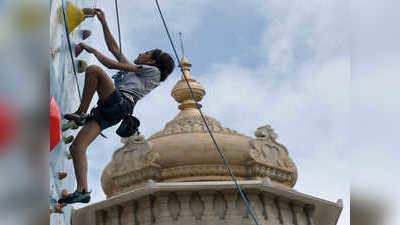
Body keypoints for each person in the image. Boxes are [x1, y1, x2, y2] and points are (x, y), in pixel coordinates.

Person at [58, 8, 175, 204]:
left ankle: (80, 113)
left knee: (94, 70)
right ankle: (83, 190)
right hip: (112, 111)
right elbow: (113, 48)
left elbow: (112, 65)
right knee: (78, 147)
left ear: (152, 61)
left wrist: (93, 51)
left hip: (120, 104)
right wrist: (104, 22)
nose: (140, 53)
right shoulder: (138, 73)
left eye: (145, 53)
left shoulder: (152, 72)